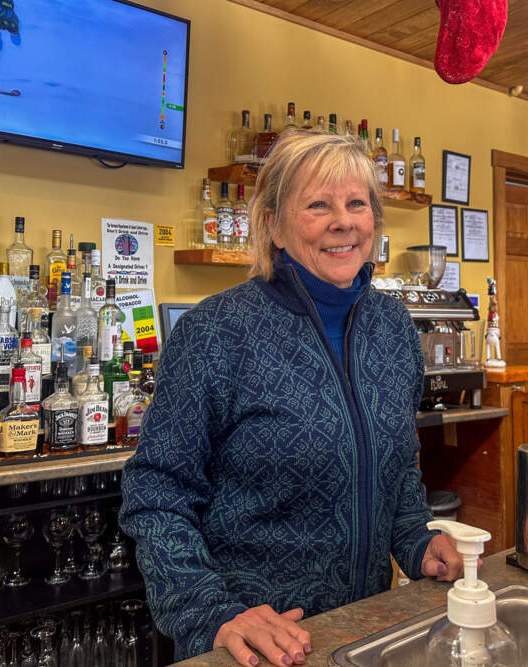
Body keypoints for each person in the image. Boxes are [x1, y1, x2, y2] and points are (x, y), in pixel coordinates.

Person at [120, 130, 463, 666]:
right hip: (251, 643)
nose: (343, 221)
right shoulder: (216, 331)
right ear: (274, 225)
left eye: (356, 203)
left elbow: (394, 469)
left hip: (361, 634)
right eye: (318, 205)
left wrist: (417, 539)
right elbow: (157, 495)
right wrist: (210, 612)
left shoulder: (392, 326)